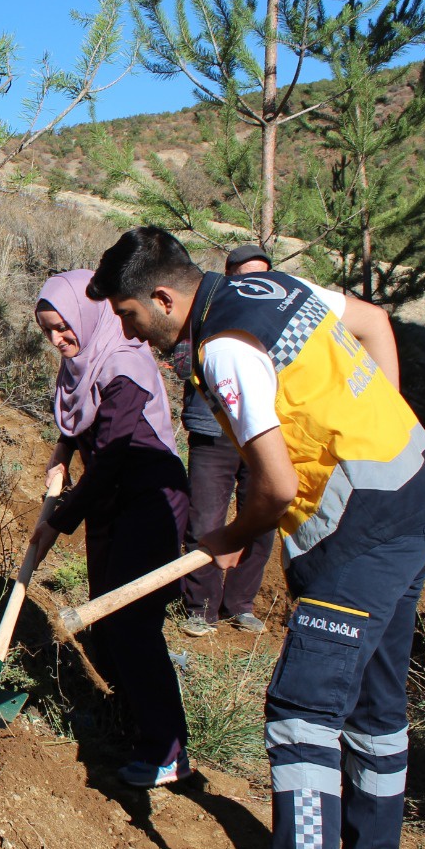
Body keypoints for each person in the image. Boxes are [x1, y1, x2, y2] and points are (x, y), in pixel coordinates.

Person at [87, 227, 425, 849]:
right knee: (376, 715)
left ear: (163, 298)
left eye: (129, 316)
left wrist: (225, 536)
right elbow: (374, 324)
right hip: (413, 492)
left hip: (362, 532)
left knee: (300, 712)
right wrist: (379, 426)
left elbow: (278, 488)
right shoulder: (274, 287)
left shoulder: (223, 349)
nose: (128, 332)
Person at [27, 270, 192, 788]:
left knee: (131, 622)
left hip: (149, 497)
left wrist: (63, 515)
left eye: (63, 327)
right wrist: (61, 453)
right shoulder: (79, 363)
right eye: (48, 331)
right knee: (107, 620)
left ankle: (168, 748)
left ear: (86, 315)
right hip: (110, 500)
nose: (58, 340)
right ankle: (128, 721)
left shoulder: (122, 361)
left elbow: (116, 451)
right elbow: (76, 422)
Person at [174, 244, 277, 637]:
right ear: (229, 274)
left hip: (261, 434)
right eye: (246, 274)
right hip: (211, 431)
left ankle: (240, 604)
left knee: (262, 521)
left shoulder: (273, 316)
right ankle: (200, 608)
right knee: (204, 520)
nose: (254, 283)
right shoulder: (203, 311)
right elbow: (182, 363)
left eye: (262, 275)